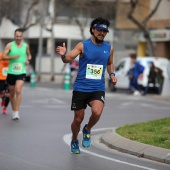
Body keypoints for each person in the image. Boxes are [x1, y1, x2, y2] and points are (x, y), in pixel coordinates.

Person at [56, 17, 117, 154]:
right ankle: (74, 140)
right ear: (93, 29)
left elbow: (109, 63)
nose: (102, 33)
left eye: (104, 31)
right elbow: (68, 59)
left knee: (97, 112)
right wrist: (63, 55)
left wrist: (112, 74)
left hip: (97, 88)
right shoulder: (82, 45)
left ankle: (88, 129)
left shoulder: (109, 48)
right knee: (78, 118)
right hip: (81, 87)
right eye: (99, 30)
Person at [2, 28, 32, 120]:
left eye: (20, 36)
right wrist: (12, 57)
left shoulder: (25, 46)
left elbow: (29, 55)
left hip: (21, 72)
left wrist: (28, 60)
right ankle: (14, 110)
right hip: (11, 72)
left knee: (18, 90)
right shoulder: (9, 45)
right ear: (14, 36)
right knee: (12, 93)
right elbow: (3, 57)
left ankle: (16, 112)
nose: (18, 38)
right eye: (17, 36)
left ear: (22, 37)